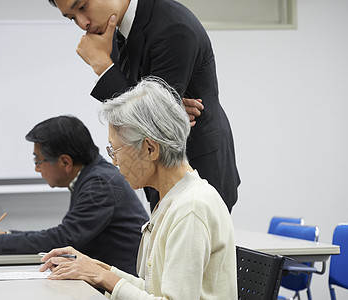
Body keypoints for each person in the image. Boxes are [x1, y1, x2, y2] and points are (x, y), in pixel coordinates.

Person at [39, 78, 237, 299]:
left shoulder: (191, 207)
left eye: (116, 150)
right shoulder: (174, 199)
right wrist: (96, 269)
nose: (114, 161)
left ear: (150, 149)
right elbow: (155, 290)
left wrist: (105, 278)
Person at [46, 0, 240, 213]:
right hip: (158, 169)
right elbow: (151, 113)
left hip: (197, 169)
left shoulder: (172, 26)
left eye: (82, 7)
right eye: (72, 18)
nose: (83, 23)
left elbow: (150, 121)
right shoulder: (117, 32)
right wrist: (165, 109)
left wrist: (103, 66)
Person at [0, 115, 148, 276]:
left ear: (65, 162)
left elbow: (64, 238)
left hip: (122, 284)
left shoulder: (100, 183)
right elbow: (65, 234)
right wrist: (5, 236)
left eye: (39, 160)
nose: (36, 168)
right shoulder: (92, 176)